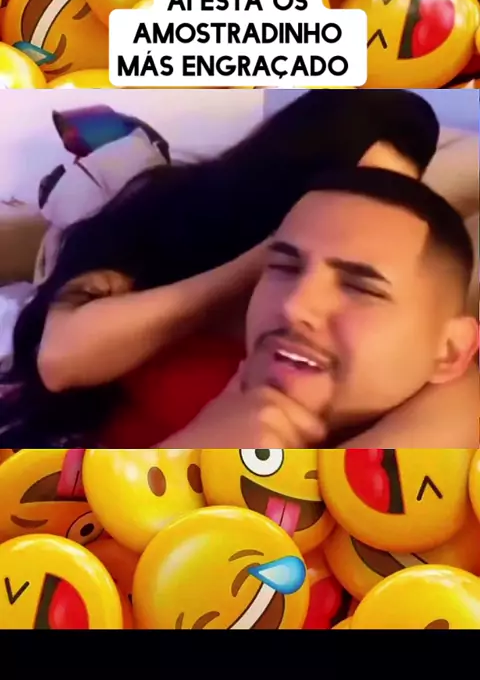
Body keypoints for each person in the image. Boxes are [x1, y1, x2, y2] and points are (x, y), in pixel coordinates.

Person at [0, 89, 441, 448]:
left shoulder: (382, 298)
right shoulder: (172, 209)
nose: (364, 215)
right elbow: (59, 361)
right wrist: (266, 258)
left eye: (392, 195)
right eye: (356, 188)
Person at [159, 168, 478, 450]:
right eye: (284, 267)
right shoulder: (183, 360)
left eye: (361, 288)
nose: (293, 306)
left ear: (450, 351)